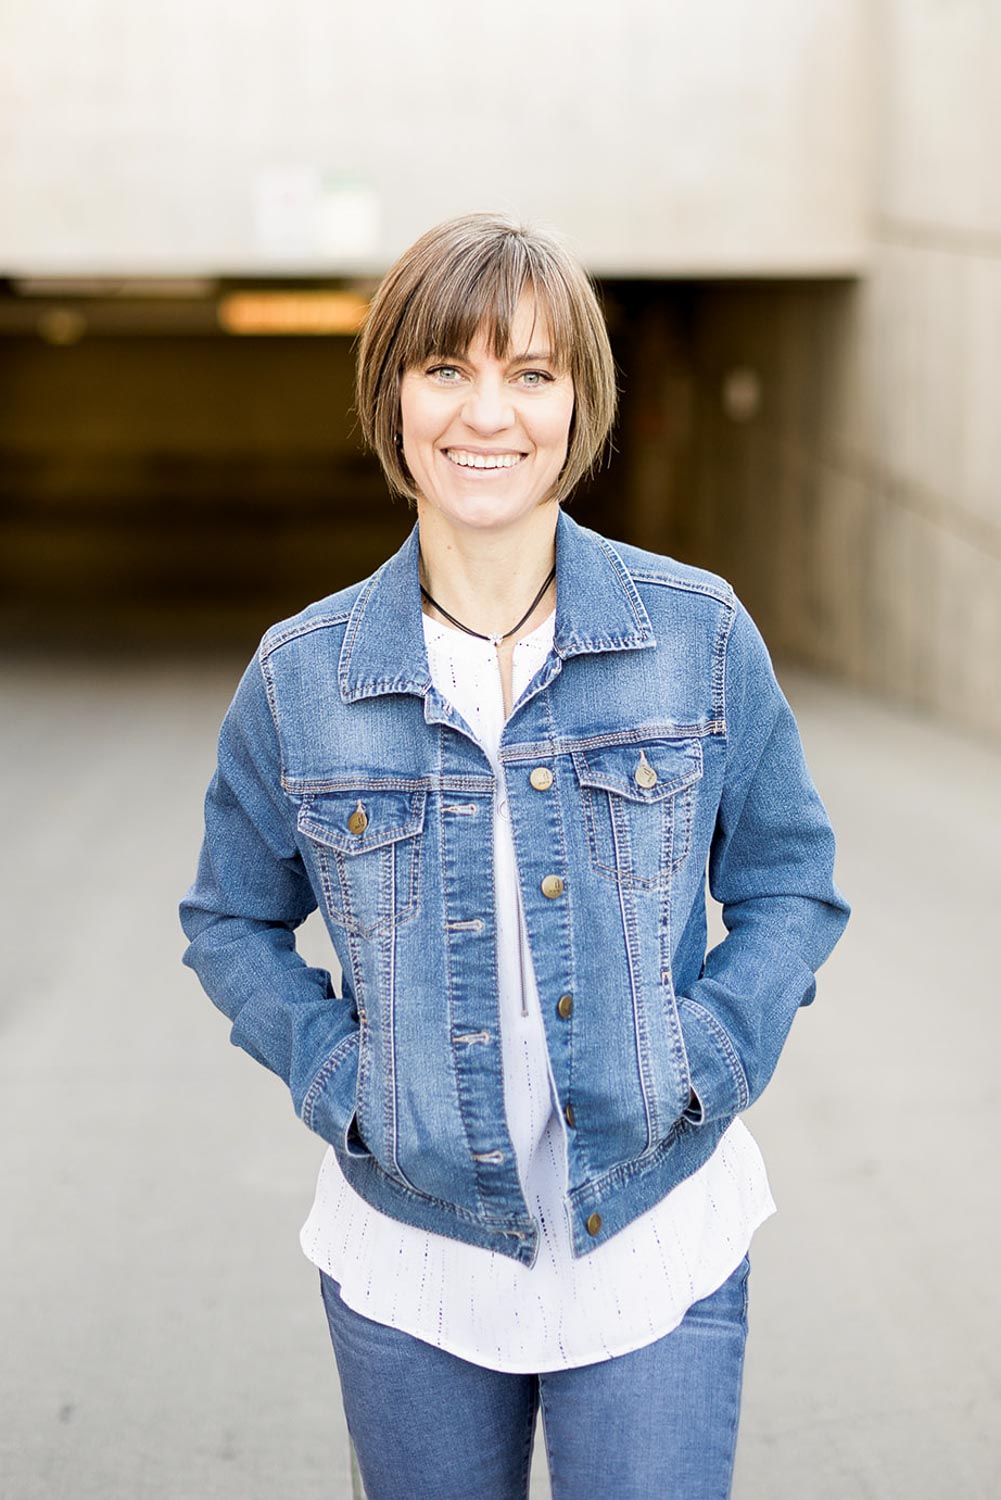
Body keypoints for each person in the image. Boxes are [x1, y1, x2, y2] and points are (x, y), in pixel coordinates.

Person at [179, 211, 850, 1499]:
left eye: (530, 373)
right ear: (391, 396)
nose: (487, 414)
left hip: (657, 1231)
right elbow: (229, 921)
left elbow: (789, 881)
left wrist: (705, 1059)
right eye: (446, 368)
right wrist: (344, 1083)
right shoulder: (302, 678)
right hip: (413, 1254)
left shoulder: (693, 636)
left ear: (577, 405)